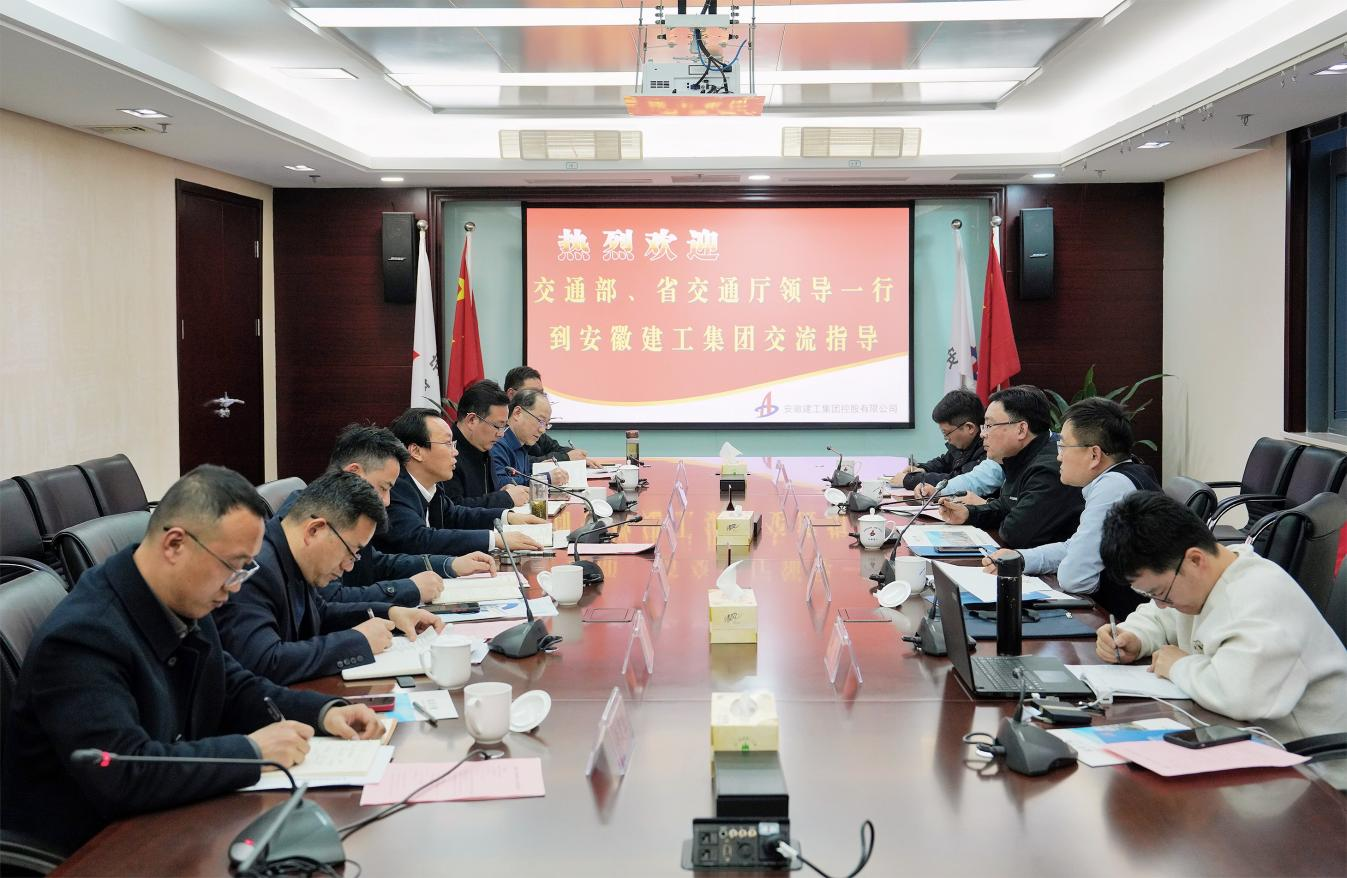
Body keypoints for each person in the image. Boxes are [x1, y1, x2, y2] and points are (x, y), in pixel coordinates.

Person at [1, 465, 385, 856]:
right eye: (232, 567)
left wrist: (323, 713)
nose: (236, 586)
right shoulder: (83, 637)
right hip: (91, 849)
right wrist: (252, 752)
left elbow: (233, 687)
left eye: (246, 569)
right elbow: (122, 771)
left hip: (163, 821)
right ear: (174, 545)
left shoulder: (183, 598)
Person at [1095, 491, 1347, 741]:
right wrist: (1134, 636)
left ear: (1195, 560)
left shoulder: (1260, 597)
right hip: (1248, 734)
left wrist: (1177, 666)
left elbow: (1239, 696)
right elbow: (1159, 617)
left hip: (1312, 754)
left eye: (1161, 593)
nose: (1161, 605)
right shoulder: (1213, 570)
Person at [214, 470, 445, 685]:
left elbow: (321, 613)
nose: (349, 566)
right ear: (314, 530)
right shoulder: (254, 569)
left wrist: (391, 613)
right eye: (350, 552)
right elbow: (265, 662)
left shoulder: (292, 555)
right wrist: (357, 642)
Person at [275, 423, 496, 607]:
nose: (387, 500)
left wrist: (448, 564)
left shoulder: (346, 511)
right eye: (383, 487)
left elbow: (375, 563)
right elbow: (330, 600)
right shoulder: (315, 515)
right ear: (354, 473)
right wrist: (409, 589)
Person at [982, 398, 1159, 617]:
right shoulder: (1123, 475)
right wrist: (1021, 559)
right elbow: (1075, 547)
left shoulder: (1112, 486)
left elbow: (1075, 579)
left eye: (1063, 446)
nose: (1058, 457)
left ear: (1094, 455)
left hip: (1127, 620)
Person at [379, 407, 545, 556]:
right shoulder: (393, 490)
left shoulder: (432, 485)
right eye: (447, 444)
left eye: (453, 444)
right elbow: (420, 539)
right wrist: (494, 539)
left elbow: (454, 515)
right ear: (416, 451)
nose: (455, 452)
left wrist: (507, 517)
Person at [940, 385, 1084, 549]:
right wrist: (968, 513)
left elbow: (1015, 533)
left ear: (1021, 429)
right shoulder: (1020, 456)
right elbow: (1007, 505)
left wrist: (995, 514)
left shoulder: (1049, 469)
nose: (982, 434)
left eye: (989, 426)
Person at [445, 379, 528, 510]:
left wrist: (502, 491)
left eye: (504, 426)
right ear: (472, 420)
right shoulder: (446, 452)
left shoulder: (483, 447)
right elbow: (453, 509)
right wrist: (504, 498)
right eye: (497, 426)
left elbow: (483, 495)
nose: (501, 434)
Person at [892, 389, 987, 490]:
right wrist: (923, 469)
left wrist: (911, 480)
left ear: (969, 428)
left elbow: (957, 480)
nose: (946, 439)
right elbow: (944, 462)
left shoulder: (987, 449)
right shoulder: (964, 445)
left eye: (946, 433)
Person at [503, 365, 590, 463]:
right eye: (532, 393)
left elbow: (554, 448)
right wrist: (566, 457)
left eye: (541, 393)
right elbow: (518, 462)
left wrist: (576, 455)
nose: (542, 430)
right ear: (511, 394)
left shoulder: (535, 427)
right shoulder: (500, 428)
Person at [491, 387, 572, 488]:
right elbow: (499, 482)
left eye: (546, 424)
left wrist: (538, 468)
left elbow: (519, 476)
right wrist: (546, 478)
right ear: (517, 413)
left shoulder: (522, 445)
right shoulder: (497, 442)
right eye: (540, 421)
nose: (542, 430)